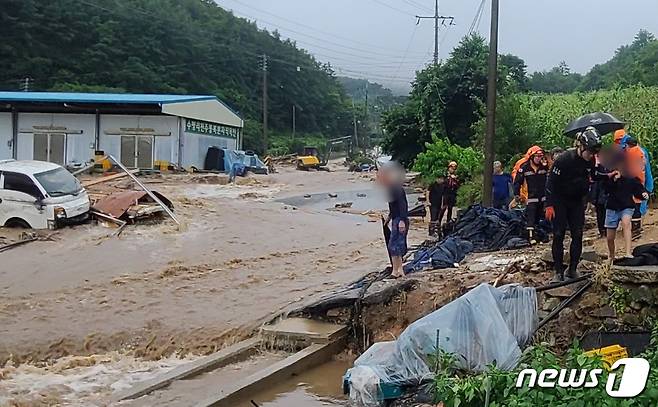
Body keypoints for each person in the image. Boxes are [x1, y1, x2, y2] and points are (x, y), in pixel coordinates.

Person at [545, 127, 602, 282]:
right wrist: (549, 204)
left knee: (577, 234)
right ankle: (558, 271)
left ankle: (572, 269)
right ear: (581, 146)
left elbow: (594, 175)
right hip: (559, 200)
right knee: (559, 234)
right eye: (589, 152)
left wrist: (609, 175)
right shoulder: (564, 159)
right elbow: (551, 182)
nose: (591, 156)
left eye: (593, 153)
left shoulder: (589, 160)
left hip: (576, 201)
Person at [604, 164, 649, 262]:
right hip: (612, 207)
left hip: (627, 206)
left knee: (626, 223)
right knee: (610, 237)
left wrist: (643, 194)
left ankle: (628, 252)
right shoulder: (610, 177)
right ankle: (611, 255)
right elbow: (606, 190)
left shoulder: (631, 178)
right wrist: (614, 180)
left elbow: (639, 189)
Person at [378, 162, 409, 278]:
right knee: (393, 246)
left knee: (397, 245)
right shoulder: (391, 189)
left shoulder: (396, 189)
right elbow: (393, 207)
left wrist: (402, 220)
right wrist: (389, 218)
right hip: (395, 218)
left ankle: (399, 270)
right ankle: (396, 270)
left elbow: (403, 205)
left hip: (400, 220)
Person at [513, 148, 548, 243]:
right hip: (531, 198)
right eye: (537, 156)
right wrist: (516, 194)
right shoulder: (524, 167)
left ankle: (538, 236)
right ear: (532, 157)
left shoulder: (544, 167)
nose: (539, 159)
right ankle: (531, 237)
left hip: (543, 198)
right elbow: (517, 182)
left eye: (541, 156)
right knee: (531, 218)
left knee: (539, 218)